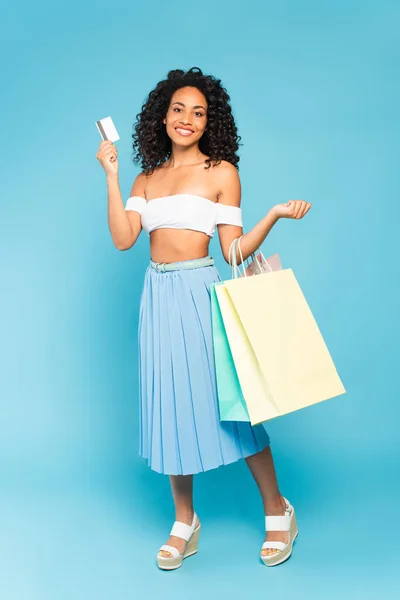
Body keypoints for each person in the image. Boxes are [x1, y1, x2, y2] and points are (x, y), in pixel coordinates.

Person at [96, 67, 311, 570]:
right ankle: (184, 521)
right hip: (157, 295)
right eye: (179, 109)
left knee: (234, 404)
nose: (187, 119)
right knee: (168, 401)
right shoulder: (145, 178)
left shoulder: (222, 172)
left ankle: (278, 510)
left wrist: (274, 214)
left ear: (209, 122)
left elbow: (233, 251)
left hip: (200, 292)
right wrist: (110, 174)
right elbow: (124, 238)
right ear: (162, 116)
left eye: (199, 112)